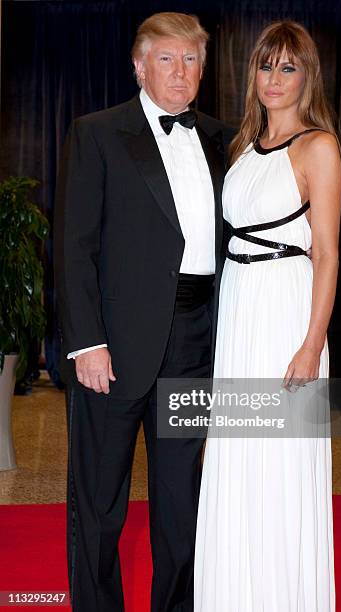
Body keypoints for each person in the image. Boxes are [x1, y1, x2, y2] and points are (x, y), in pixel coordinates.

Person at [54, 12, 234, 612]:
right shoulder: (98, 133)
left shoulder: (220, 137)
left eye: (190, 60)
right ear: (139, 65)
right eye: (166, 58)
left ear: (202, 70)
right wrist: (86, 342)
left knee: (181, 500)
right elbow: (74, 245)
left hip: (193, 343)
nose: (180, 72)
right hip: (115, 344)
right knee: (100, 502)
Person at [194, 20, 341, 611]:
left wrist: (312, 345)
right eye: (266, 65)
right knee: (236, 452)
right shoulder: (240, 147)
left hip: (286, 313)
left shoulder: (318, 147)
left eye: (288, 67)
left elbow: (326, 252)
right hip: (239, 308)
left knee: (280, 459)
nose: (274, 78)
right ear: (251, 73)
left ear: (307, 76)